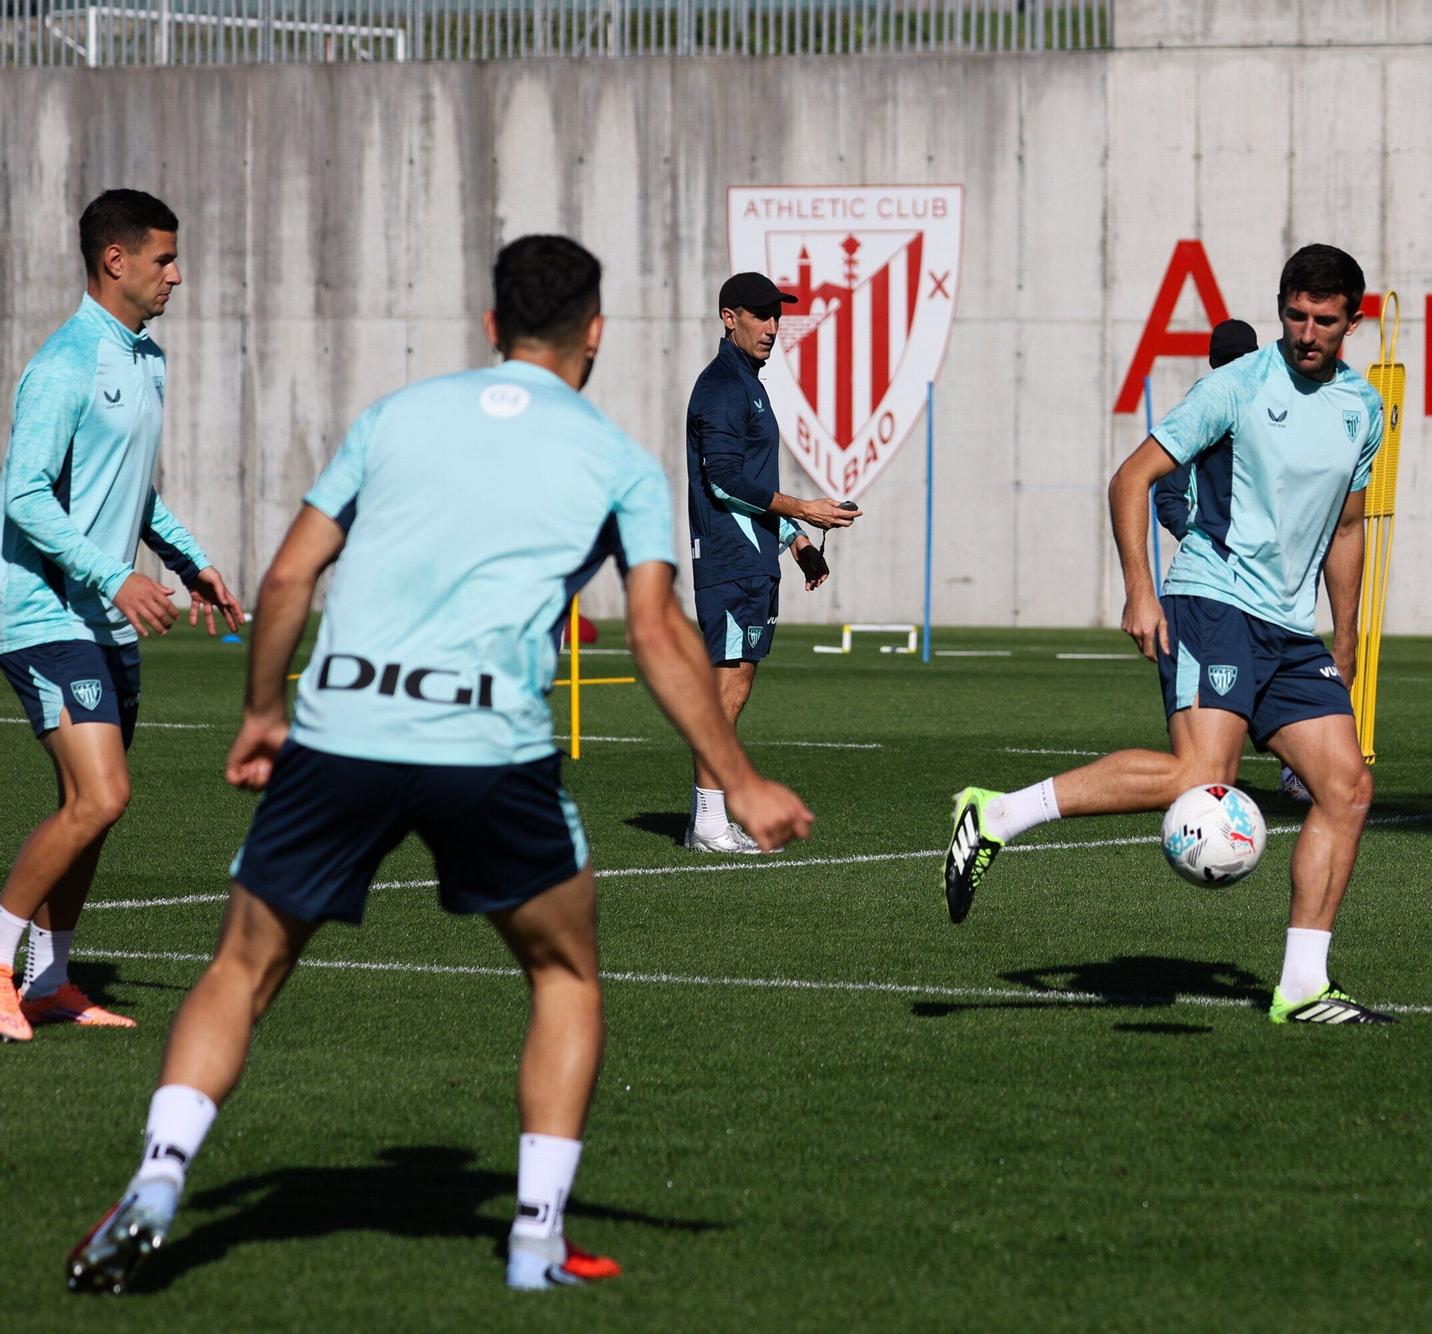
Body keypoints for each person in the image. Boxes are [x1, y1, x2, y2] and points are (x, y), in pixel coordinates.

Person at [66, 235, 814, 1295]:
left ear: (487, 327)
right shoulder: (613, 459)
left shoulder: (397, 417)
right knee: (563, 975)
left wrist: (263, 712)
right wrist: (737, 777)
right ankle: (536, 1238)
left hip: (343, 730)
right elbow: (656, 634)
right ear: (594, 333)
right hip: (486, 747)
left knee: (241, 967)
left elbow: (287, 578)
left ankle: (156, 1179)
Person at [941, 245, 1395, 1026]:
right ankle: (997, 815)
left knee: (1347, 788)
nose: (1307, 332)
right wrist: (1140, 592)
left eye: (1325, 320)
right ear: (1282, 306)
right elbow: (1131, 477)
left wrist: (1345, 637)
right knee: (1200, 773)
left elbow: (1349, 529)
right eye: (1295, 315)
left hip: (1291, 629)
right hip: (1210, 601)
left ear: (1354, 319)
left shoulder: (1364, 408)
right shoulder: (1237, 385)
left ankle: (1303, 986)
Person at [0, 189, 243, 1044]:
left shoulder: (146, 359)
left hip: (100, 618)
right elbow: (21, 493)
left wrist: (189, 561)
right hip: (40, 614)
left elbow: (131, 492)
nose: (177, 275)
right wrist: (112, 577)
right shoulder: (69, 362)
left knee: (89, 805)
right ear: (117, 261)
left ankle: (52, 981)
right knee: (101, 796)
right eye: (164, 259)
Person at [682, 271, 860, 853]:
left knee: (737, 688)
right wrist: (805, 509)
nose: (773, 326)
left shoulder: (748, 384)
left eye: (777, 315)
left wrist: (797, 543)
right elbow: (725, 481)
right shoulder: (722, 387)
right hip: (731, 559)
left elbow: (752, 485)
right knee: (725, 692)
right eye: (760, 315)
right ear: (728, 317)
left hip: (755, 556)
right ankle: (708, 822)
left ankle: (709, 816)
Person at [1152, 318, 1260, 541]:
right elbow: (1169, 495)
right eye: (1229, 362)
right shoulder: (1197, 414)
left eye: (1242, 361)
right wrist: (1202, 542)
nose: (1235, 371)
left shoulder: (1273, 411)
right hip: (1214, 563)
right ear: (1214, 363)